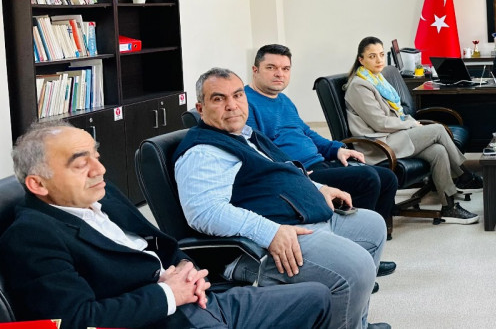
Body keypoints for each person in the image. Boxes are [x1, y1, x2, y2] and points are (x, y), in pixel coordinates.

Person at [0, 122, 337, 329]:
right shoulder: (32, 235)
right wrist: (168, 294)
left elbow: (161, 243)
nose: (99, 169)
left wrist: (187, 269)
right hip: (159, 320)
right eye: (80, 164)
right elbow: (75, 321)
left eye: (96, 155)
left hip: (199, 300)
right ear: (38, 184)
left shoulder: (102, 193)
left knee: (318, 297)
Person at [174, 68, 388, 329]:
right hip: (266, 243)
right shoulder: (203, 152)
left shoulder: (245, 136)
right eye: (219, 99)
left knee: (373, 226)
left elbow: (286, 171)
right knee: (357, 268)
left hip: (302, 219)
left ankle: (357, 323)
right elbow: (204, 212)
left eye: (238, 95)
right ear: (201, 108)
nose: (232, 105)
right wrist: (271, 232)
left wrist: (319, 188)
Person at [245, 43, 399, 258]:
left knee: (388, 177)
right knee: (367, 177)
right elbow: (257, 150)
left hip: (319, 162)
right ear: (255, 70)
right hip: (300, 173)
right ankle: (352, 255)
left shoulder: (283, 100)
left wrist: (336, 150)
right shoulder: (246, 103)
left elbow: (307, 132)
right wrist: (292, 170)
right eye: (271, 68)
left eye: (285, 68)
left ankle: (369, 248)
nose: (279, 74)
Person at [344, 36, 483, 225]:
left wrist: (410, 122)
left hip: (392, 136)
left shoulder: (376, 80)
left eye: (381, 55)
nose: (379, 60)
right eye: (372, 56)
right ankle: (464, 175)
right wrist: (410, 124)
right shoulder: (359, 86)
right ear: (361, 60)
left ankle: (449, 206)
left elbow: (395, 115)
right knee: (438, 130)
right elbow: (379, 123)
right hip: (378, 144)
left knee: (438, 151)